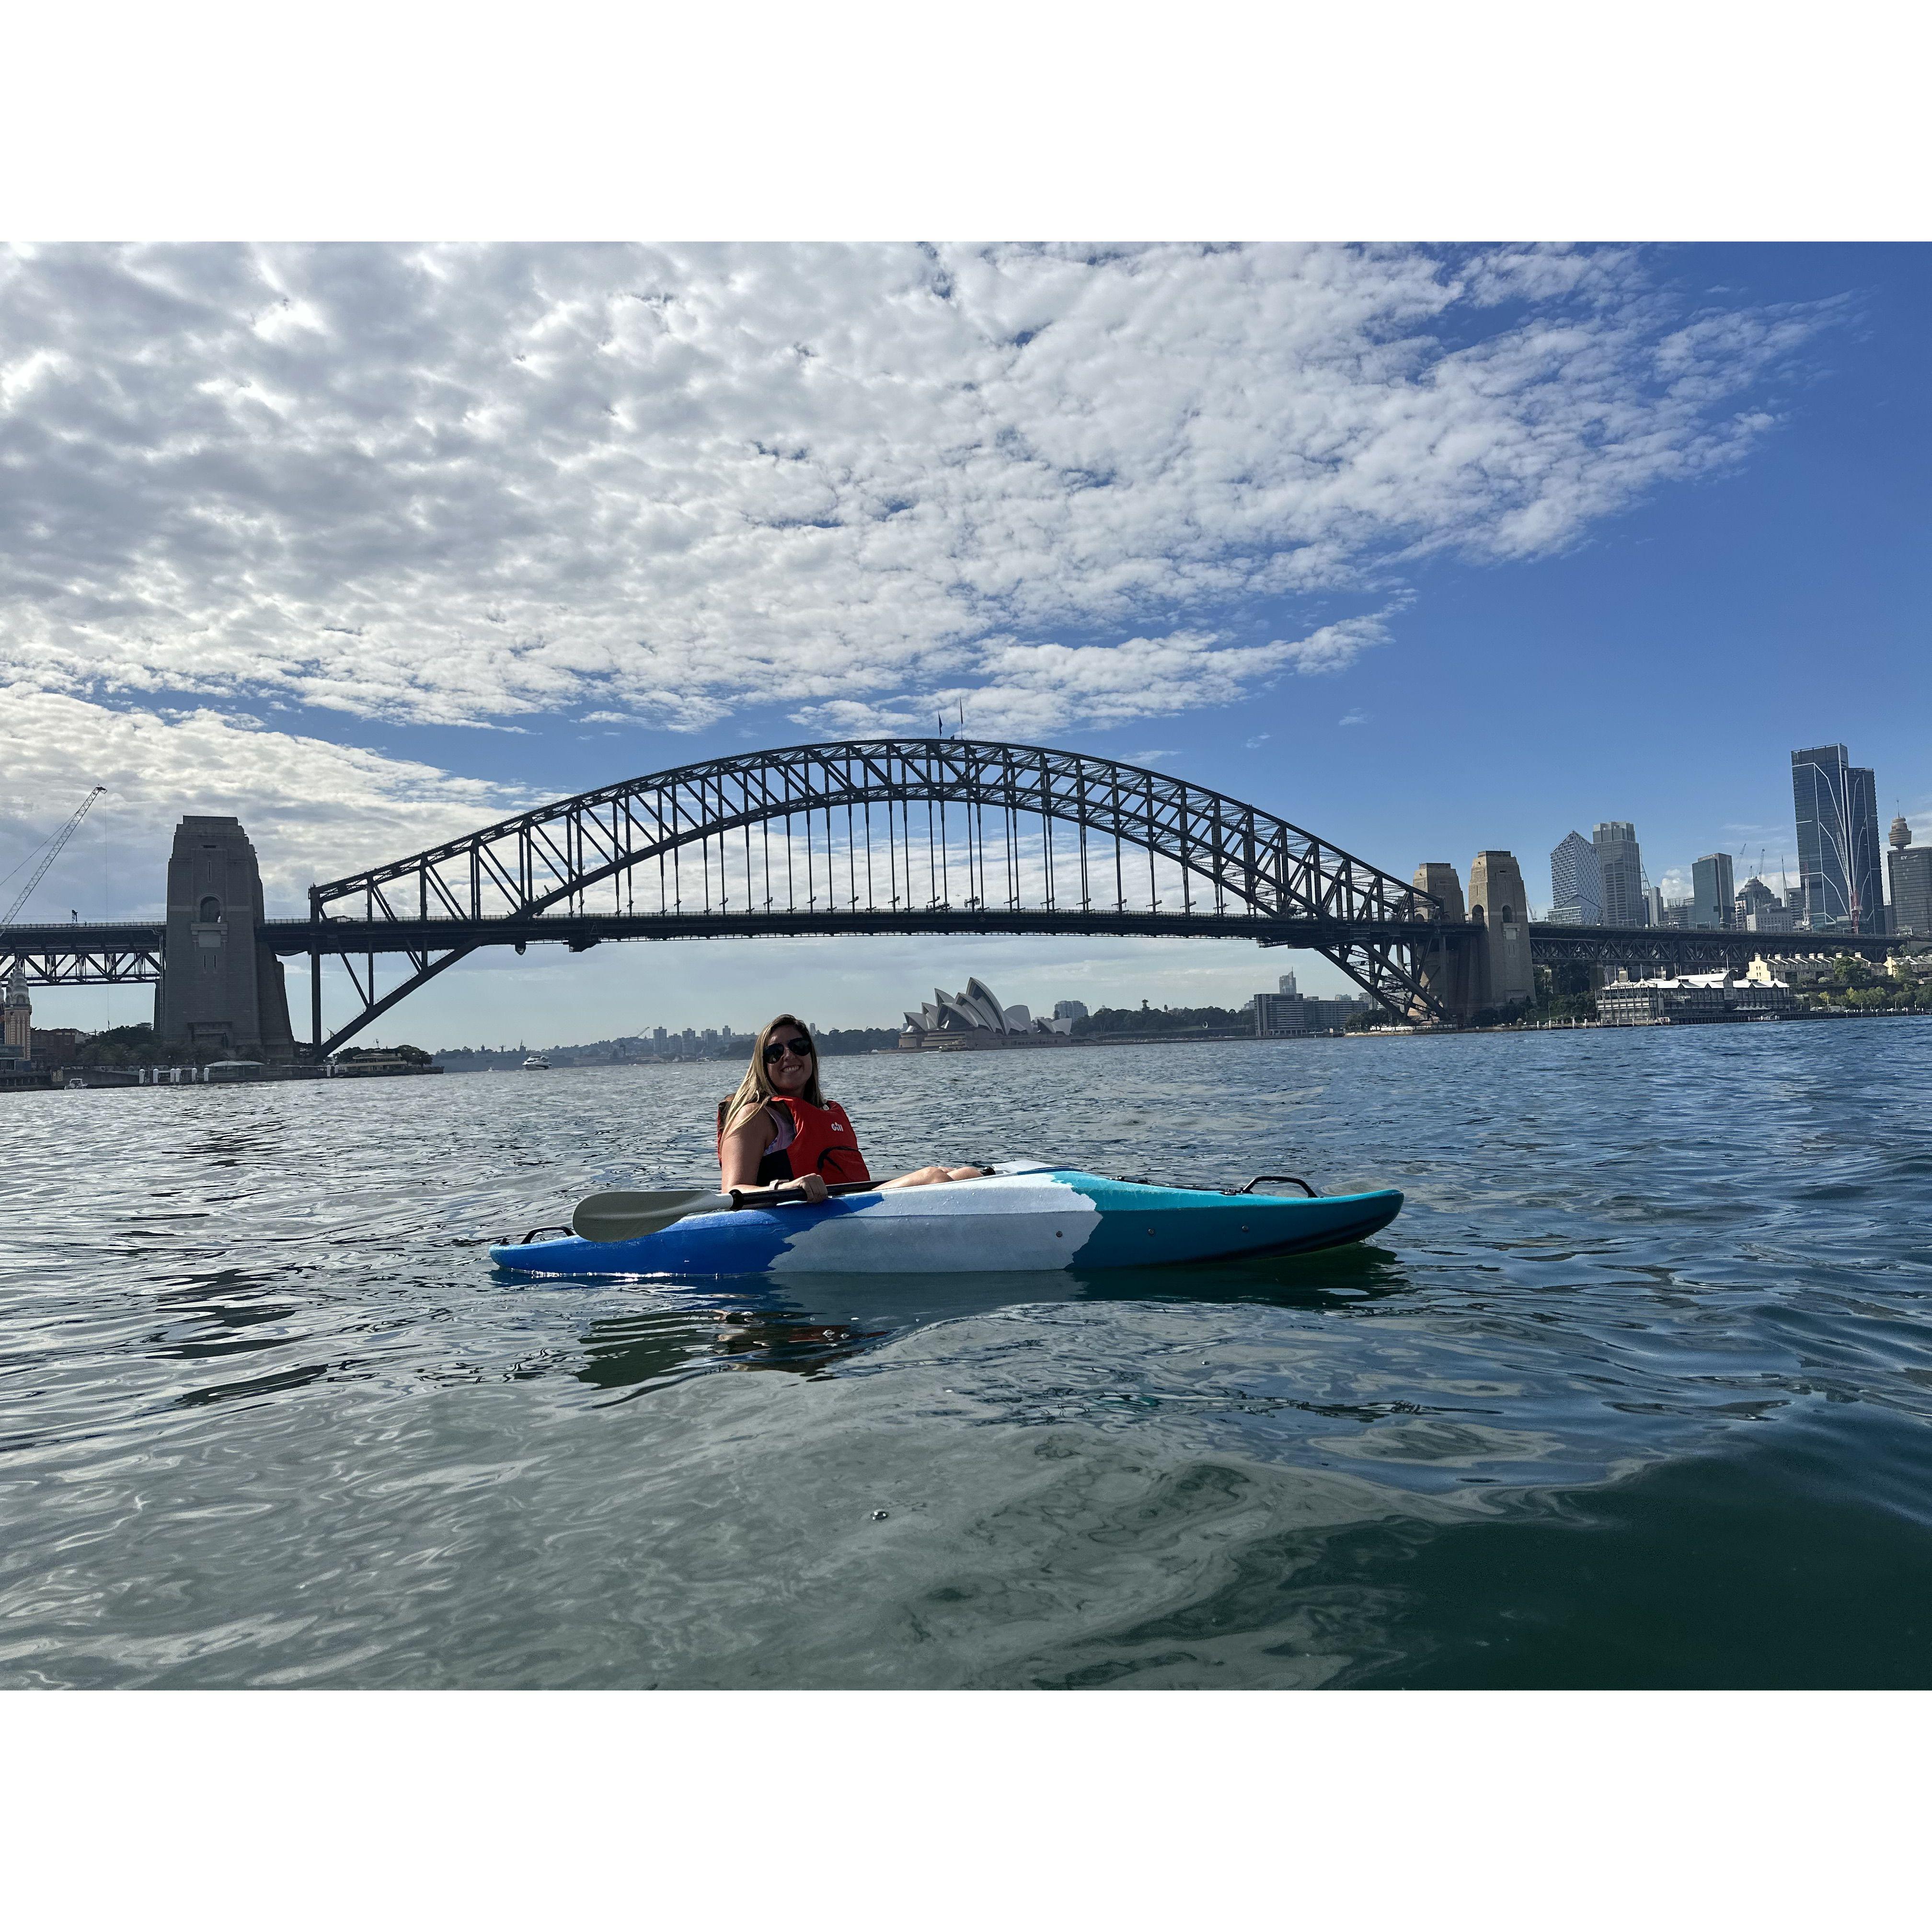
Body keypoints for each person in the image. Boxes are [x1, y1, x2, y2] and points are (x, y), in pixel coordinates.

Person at [716, 1014, 984, 1203]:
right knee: (933, 1178)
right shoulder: (754, 1116)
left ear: (811, 1055)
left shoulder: (824, 1111)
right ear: (763, 1065)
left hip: (844, 1207)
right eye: (775, 1052)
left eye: (799, 1047)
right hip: (799, 1215)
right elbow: (733, 1190)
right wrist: (786, 1187)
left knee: (967, 1174)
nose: (789, 1056)